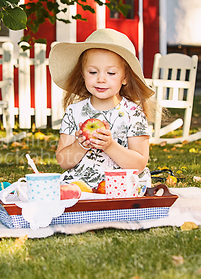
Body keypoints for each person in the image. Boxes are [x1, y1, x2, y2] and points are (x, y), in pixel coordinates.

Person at [49, 28, 156, 188]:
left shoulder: (133, 113)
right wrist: (80, 145)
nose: (101, 79)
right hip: (82, 187)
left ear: (125, 77)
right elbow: (63, 162)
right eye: (93, 72)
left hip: (121, 187)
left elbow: (139, 164)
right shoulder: (74, 112)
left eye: (111, 73)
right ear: (83, 74)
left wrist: (109, 145)